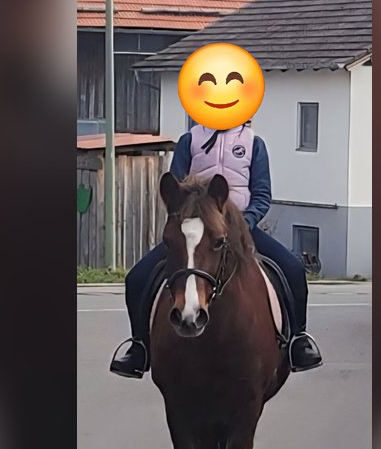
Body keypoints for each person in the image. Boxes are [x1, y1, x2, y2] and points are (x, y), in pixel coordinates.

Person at [109, 121, 323, 377]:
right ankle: (140, 346)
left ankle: (298, 340)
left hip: (240, 227)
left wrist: (245, 222)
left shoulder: (254, 143)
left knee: (293, 269)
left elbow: (262, 194)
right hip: (195, 229)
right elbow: (175, 189)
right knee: (137, 278)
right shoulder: (189, 141)